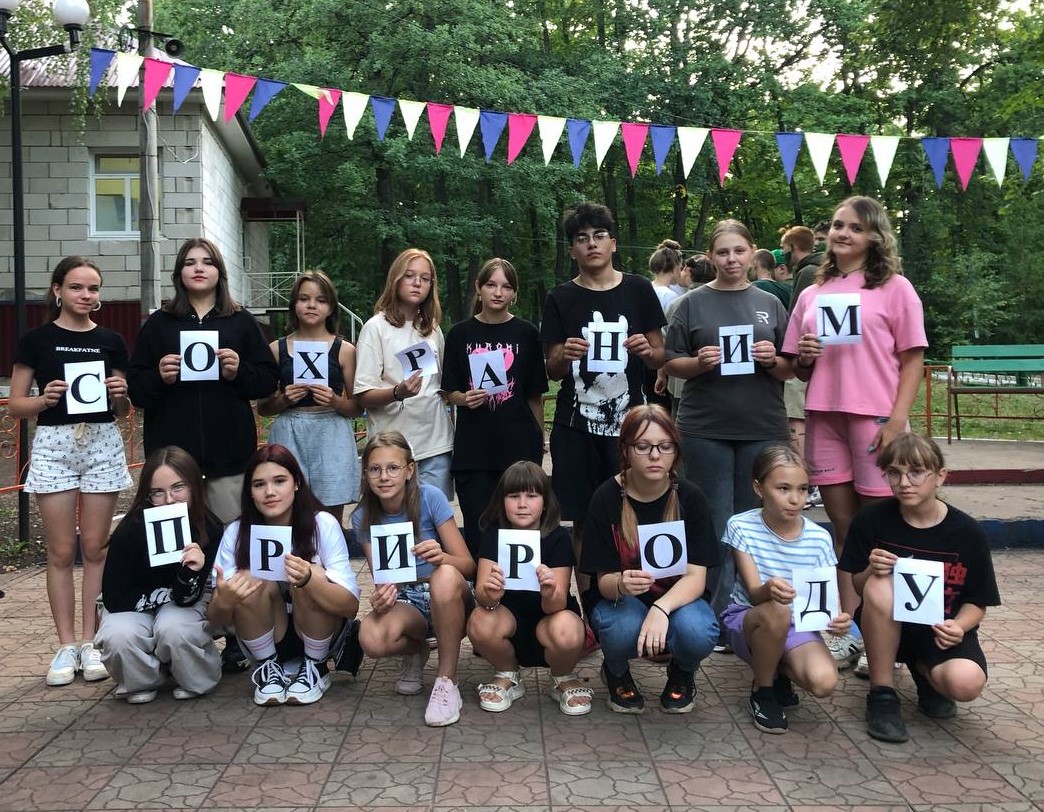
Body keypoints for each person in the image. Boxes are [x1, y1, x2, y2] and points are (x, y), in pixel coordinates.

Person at [783, 196, 927, 668]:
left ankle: (887, 634)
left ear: (875, 237)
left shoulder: (896, 288)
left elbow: (913, 360)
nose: (843, 233)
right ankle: (850, 629)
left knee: (883, 530)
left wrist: (896, 422)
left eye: (856, 227)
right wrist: (805, 356)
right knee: (845, 531)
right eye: (838, 225)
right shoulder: (812, 292)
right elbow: (798, 368)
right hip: (825, 416)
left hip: (876, 419)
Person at [663, 219, 792, 646]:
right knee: (715, 522)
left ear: (752, 252)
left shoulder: (770, 303)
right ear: (710, 256)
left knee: (757, 523)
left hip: (762, 426)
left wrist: (772, 358)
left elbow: (791, 367)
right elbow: (671, 361)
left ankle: (754, 610)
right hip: (706, 427)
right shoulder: (691, 304)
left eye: (739, 251)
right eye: (723, 252)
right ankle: (713, 617)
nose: (732, 259)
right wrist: (699, 362)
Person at [9, 256, 133, 686]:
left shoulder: (112, 340)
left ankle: (93, 641)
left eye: (93, 288)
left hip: (101, 443)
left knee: (95, 548)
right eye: (77, 287)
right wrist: (44, 399)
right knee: (61, 551)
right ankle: (65, 645)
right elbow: (17, 405)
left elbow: (122, 409)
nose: (86, 295)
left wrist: (121, 394)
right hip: (55, 445)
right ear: (57, 290)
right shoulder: (36, 340)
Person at [839, 433, 999, 744]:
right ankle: (882, 694)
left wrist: (959, 626)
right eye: (893, 473)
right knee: (881, 583)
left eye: (916, 472)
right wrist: (872, 569)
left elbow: (978, 601)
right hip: (884, 626)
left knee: (965, 684)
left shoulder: (967, 532)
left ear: (940, 476)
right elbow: (858, 584)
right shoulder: (871, 519)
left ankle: (924, 671)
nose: (904, 483)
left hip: (939, 630)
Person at [541, 202, 666, 594]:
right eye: (582, 239)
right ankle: (592, 608)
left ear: (613, 243)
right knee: (583, 521)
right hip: (575, 426)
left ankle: (645, 600)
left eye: (599, 236)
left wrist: (647, 350)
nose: (591, 244)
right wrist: (565, 355)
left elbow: (660, 355)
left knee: (639, 515)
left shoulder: (639, 289)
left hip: (631, 428)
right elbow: (552, 369)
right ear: (572, 250)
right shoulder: (561, 297)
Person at [127, 237, 279, 523]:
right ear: (179, 273)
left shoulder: (241, 321)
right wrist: (159, 378)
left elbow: (268, 380)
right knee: (176, 542)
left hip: (229, 457)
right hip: (172, 462)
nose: (199, 268)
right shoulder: (159, 324)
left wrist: (238, 372)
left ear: (220, 272)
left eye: (208, 262)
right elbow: (136, 390)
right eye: (190, 263)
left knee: (230, 537)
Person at [580, 405, 719, 714]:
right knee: (622, 629)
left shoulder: (690, 497)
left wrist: (660, 608)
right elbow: (602, 583)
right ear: (626, 451)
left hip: (676, 599)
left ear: (675, 451)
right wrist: (621, 583)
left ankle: (683, 670)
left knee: (699, 632)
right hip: (621, 603)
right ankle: (616, 669)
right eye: (643, 446)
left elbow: (696, 577)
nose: (655, 455)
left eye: (664, 446)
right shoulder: (606, 497)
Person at [208, 444, 360, 706]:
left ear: (296, 483)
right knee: (250, 579)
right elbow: (213, 622)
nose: (270, 492)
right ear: (250, 492)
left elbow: (351, 607)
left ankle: (315, 667)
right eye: (259, 484)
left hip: (321, 632)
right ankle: (268, 668)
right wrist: (225, 600)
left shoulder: (322, 524)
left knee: (311, 575)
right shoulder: (236, 532)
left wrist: (309, 579)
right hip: (264, 633)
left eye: (279, 481)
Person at [721, 445, 851, 734]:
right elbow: (754, 593)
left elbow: (826, 600)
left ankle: (776, 671)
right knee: (777, 611)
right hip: (751, 618)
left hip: (797, 625)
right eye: (783, 488)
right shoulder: (741, 526)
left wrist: (839, 620)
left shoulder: (819, 538)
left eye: (803, 489)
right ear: (759, 488)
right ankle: (763, 690)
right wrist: (769, 589)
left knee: (824, 683)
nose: (795, 499)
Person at [352, 432, 475, 726]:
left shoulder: (430, 497)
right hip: (407, 600)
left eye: (393, 468)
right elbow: (383, 579)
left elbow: (469, 566)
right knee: (370, 637)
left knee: (445, 576)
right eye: (375, 469)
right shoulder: (363, 516)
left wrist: (441, 557)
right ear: (365, 473)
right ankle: (418, 649)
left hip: (448, 596)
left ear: (409, 470)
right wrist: (382, 598)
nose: (384, 476)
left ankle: (447, 680)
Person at [95, 446, 223, 703]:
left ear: (194, 486)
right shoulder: (131, 529)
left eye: (178, 487)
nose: (169, 500)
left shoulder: (209, 527)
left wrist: (191, 572)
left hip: (183, 602)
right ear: (147, 495)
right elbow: (114, 598)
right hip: (131, 602)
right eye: (158, 492)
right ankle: (141, 679)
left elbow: (187, 599)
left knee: (174, 628)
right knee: (119, 634)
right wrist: (154, 610)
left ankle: (196, 678)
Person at [442, 259, 547, 556]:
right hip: (474, 451)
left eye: (506, 286)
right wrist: (465, 398)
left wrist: (538, 443)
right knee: (480, 532)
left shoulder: (527, 333)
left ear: (514, 293)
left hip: (518, 447)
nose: (498, 292)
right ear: (479, 287)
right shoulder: (459, 334)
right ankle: (481, 583)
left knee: (521, 530)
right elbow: (449, 392)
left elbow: (534, 395)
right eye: (491, 285)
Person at [468, 461, 590, 716]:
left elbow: (557, 604)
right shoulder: (493, 534)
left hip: (549, 619)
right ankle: (507, 673)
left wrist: (549, 591)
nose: (522, 504)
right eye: (514, 496)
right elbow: (482, 595)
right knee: (479, 619)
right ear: (502, 501)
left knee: (568, 628)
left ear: (545, 502)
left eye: (532, 496)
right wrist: (491, 594)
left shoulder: (558, 538)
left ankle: (562, 676)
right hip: (508, 621)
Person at [257, 270, 361, 524]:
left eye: (320, 300)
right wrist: (284, 399)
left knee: (330, 516)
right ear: (294, 304)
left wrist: (335, 401)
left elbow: (357, 407)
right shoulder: (276, 349)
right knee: (287, 508)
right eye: (304, 299)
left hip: (331, 431)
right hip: (289, 431)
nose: (312, 305)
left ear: (331, 307)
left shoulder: (345, 350)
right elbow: (263, 407)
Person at [354, 249, 454, 500]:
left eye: (425, 278)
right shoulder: (375, 328)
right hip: (390, 449)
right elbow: (363, 394)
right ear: (395, 279)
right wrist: (397, 392)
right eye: (409, 276)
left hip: (435, 445)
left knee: (434, 518)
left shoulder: (432, 329)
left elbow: (444, 386)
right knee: (394, 519)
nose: (417, 283)